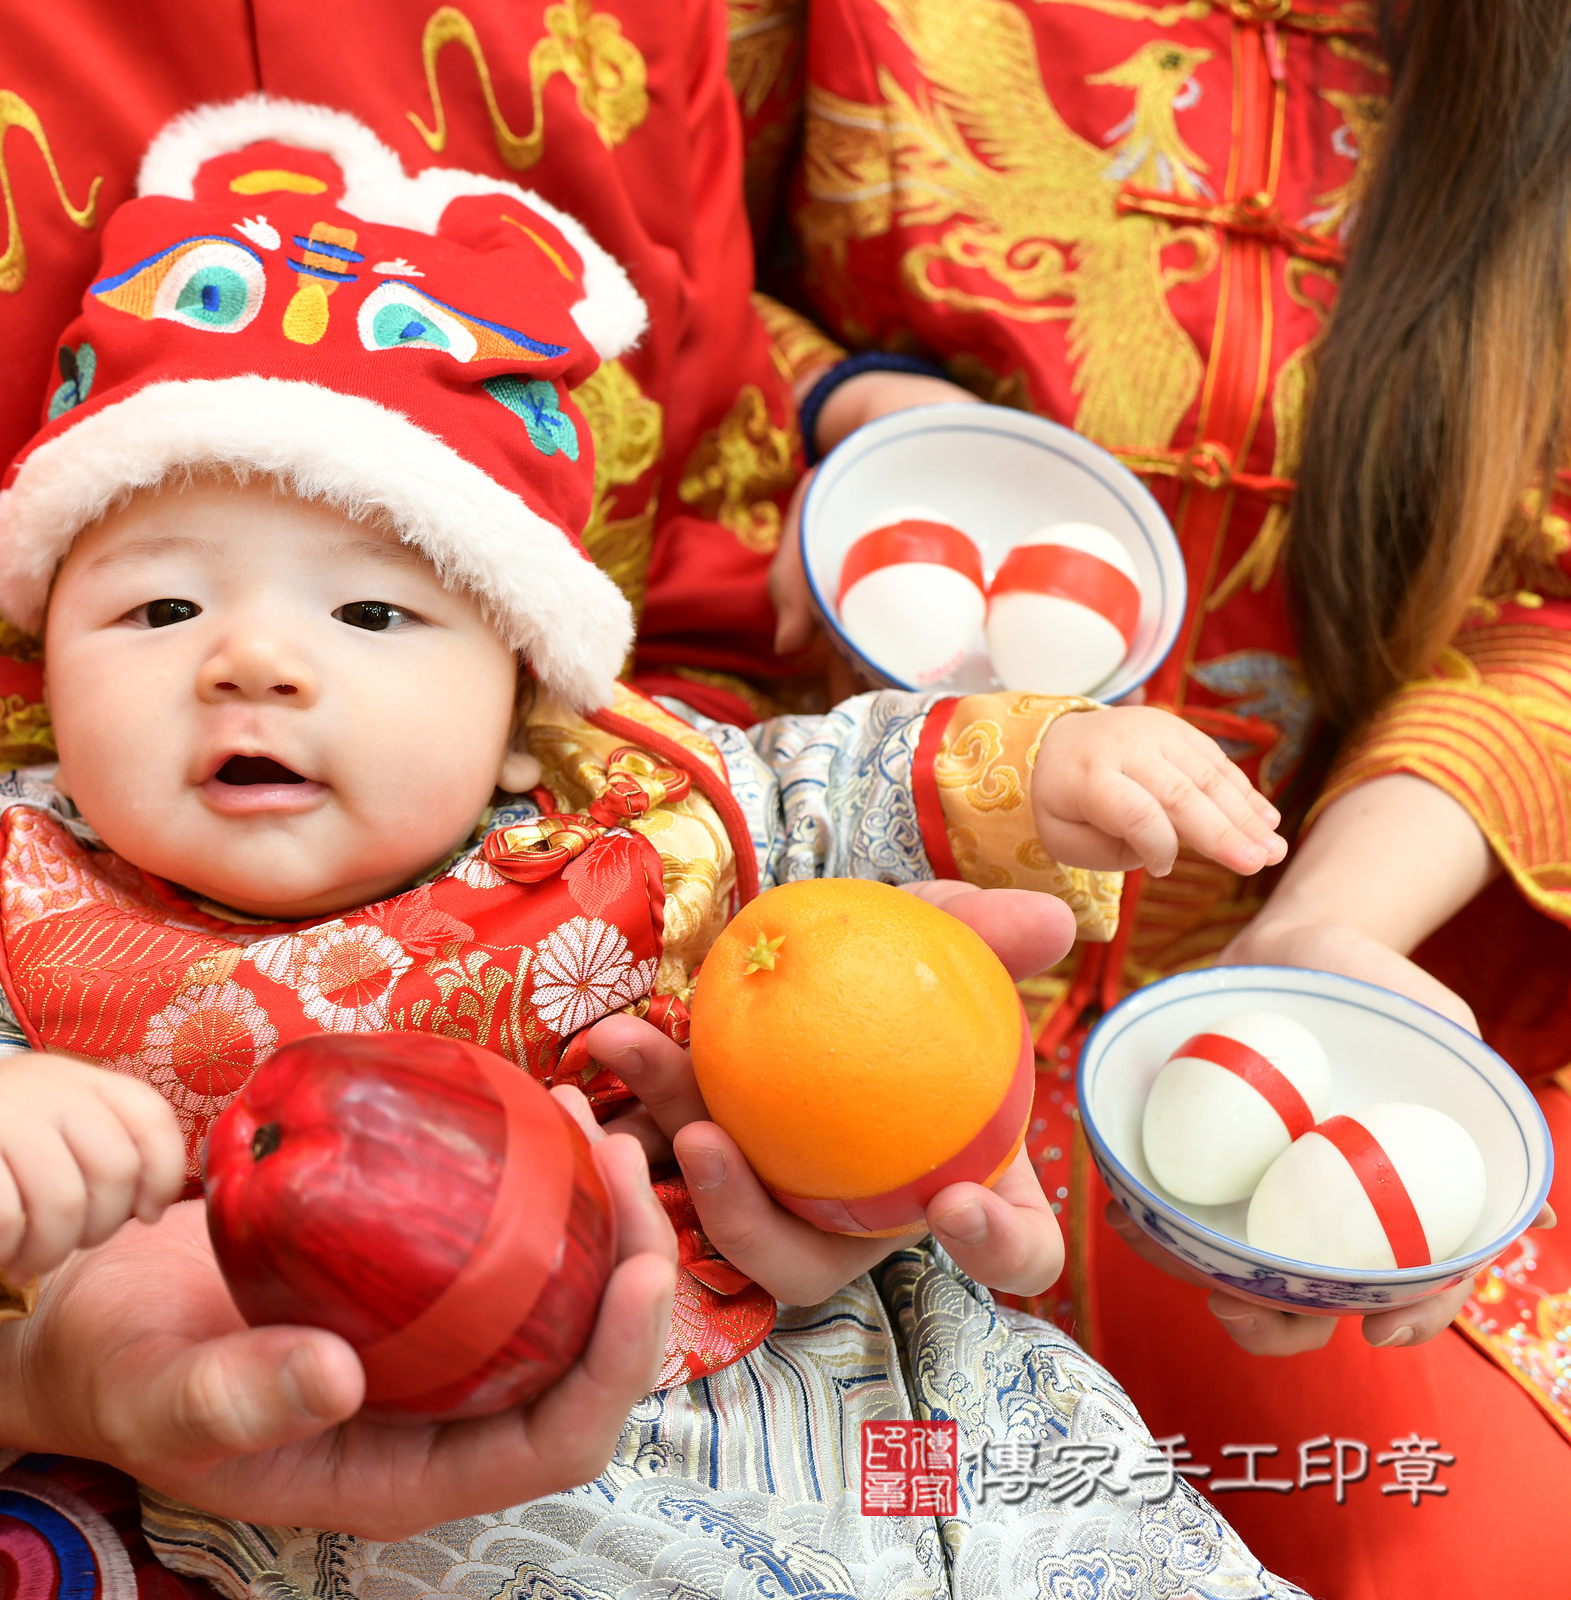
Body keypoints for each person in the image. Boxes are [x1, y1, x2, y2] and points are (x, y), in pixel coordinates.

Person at [0, 103, 1306, 1598]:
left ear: (523, 686)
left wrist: (1055, 756)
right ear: (37, 656)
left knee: (1134, 1538)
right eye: (162, 606)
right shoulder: (11, 898)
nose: (253, 662)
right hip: (487, 1472)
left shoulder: (627, 799)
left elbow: (842, 781)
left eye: (377, 612)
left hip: (910, 1368)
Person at [632, 1, 1571, 1592]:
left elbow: (1544, 604)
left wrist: (1330, 918)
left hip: (1287, 1001)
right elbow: (656, 256)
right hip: (828, 948)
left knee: (1460, 1546)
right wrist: (855, 414)